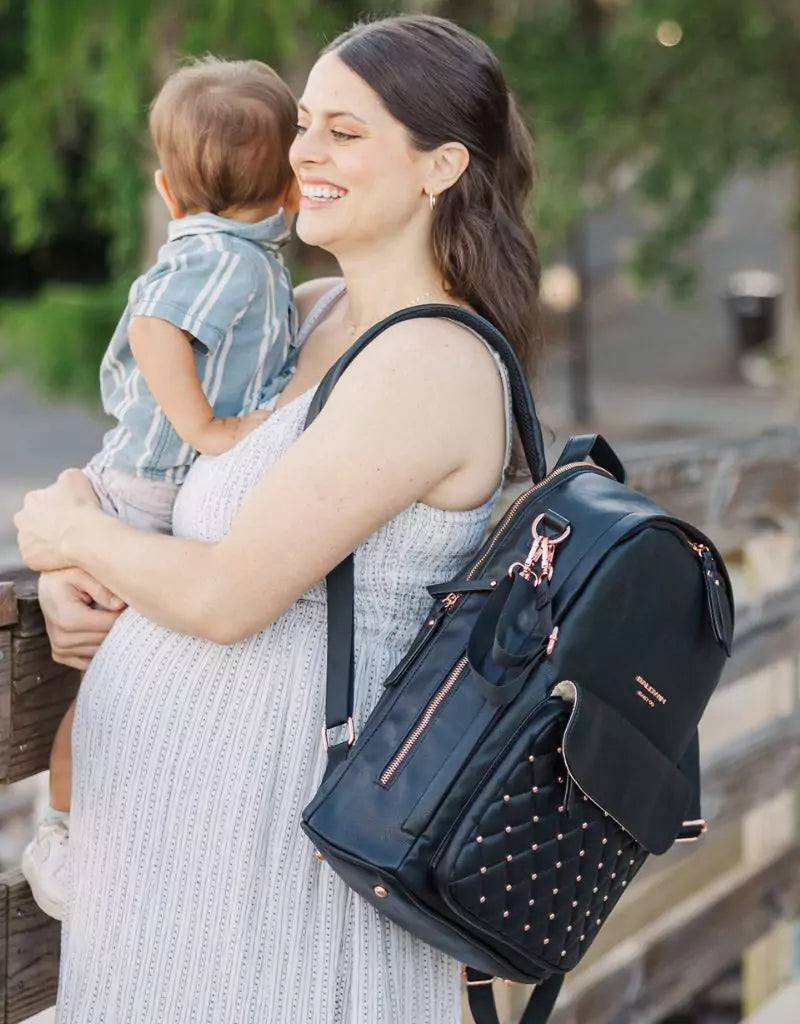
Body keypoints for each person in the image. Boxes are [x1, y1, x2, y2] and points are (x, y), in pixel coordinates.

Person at [14, 14, 542, 1022]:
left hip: (276, 858)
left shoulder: (430, 361)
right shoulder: (303, 311)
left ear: (439, 165)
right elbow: (160, 485)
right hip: (173, 847)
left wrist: (70, 528)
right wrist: (71, 572)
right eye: (304, 123)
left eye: (345, 132)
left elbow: (225, 596)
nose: (303, 152)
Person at [20, 56, 300, 922]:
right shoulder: (227, 259)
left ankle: (78, 825)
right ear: (293, 189)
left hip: (145, 489)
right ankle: (61, 830)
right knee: (102, 693)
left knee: (118, 689)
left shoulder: (241, 262)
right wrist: (209, 432)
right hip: (145, 491)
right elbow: (153, 329)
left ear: (167, 193)